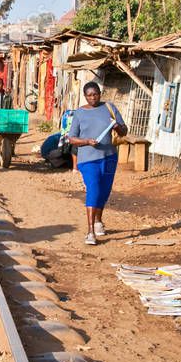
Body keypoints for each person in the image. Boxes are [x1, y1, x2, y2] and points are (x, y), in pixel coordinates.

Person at [67, 82, 127, 246]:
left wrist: (117, 126)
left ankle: (99, 221)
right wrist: (87, 141)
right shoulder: (80, 113)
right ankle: (90, 231)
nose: (93, 97)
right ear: (85, 96)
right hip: (88, 159)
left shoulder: (109, 107)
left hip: (109, 157)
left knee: (104, 191)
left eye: (95, 94)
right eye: (89, 95)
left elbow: (124, 131)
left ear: (100, 93)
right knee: (93, 190)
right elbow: (71, 138)